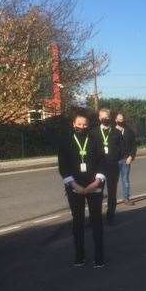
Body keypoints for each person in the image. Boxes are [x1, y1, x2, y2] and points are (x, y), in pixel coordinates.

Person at [58, 111, 106, 268]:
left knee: (96, 221)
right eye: (79, 124)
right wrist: (73, 185)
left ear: (88, 125)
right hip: (75, 186)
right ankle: (79, 256)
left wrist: (97, 181)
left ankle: (99, 257)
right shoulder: (66, 141)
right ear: (73, 124)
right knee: (77, 222)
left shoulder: (95, 140)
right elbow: (63, 166)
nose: (82, 127)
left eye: (85, 124)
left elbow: (102, 162)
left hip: (94, 185)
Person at [95, 108, 123, 225]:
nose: (105, 119)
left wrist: (115, 157)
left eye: (107, 117)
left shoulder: (116, 132)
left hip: (112, 167)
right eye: (103, 117)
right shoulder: (94, 132)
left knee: (112, 193)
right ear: (99, 118)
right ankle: (96, 218)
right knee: (97, 193)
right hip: (99, 167)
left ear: (110, 118)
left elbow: (121, 149)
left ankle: (110, 216)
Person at [115, 112, 137, 206]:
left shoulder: (129, 131)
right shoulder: (111, 131)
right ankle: (111, 200)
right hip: (113, 161)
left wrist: (131, 156)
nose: (120, 121)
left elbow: (134, 145)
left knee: (125, 180)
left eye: (122, 119)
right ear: (115, 120)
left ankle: (126, 198)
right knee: (112, 182)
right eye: (118, 119)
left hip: (125, 160)